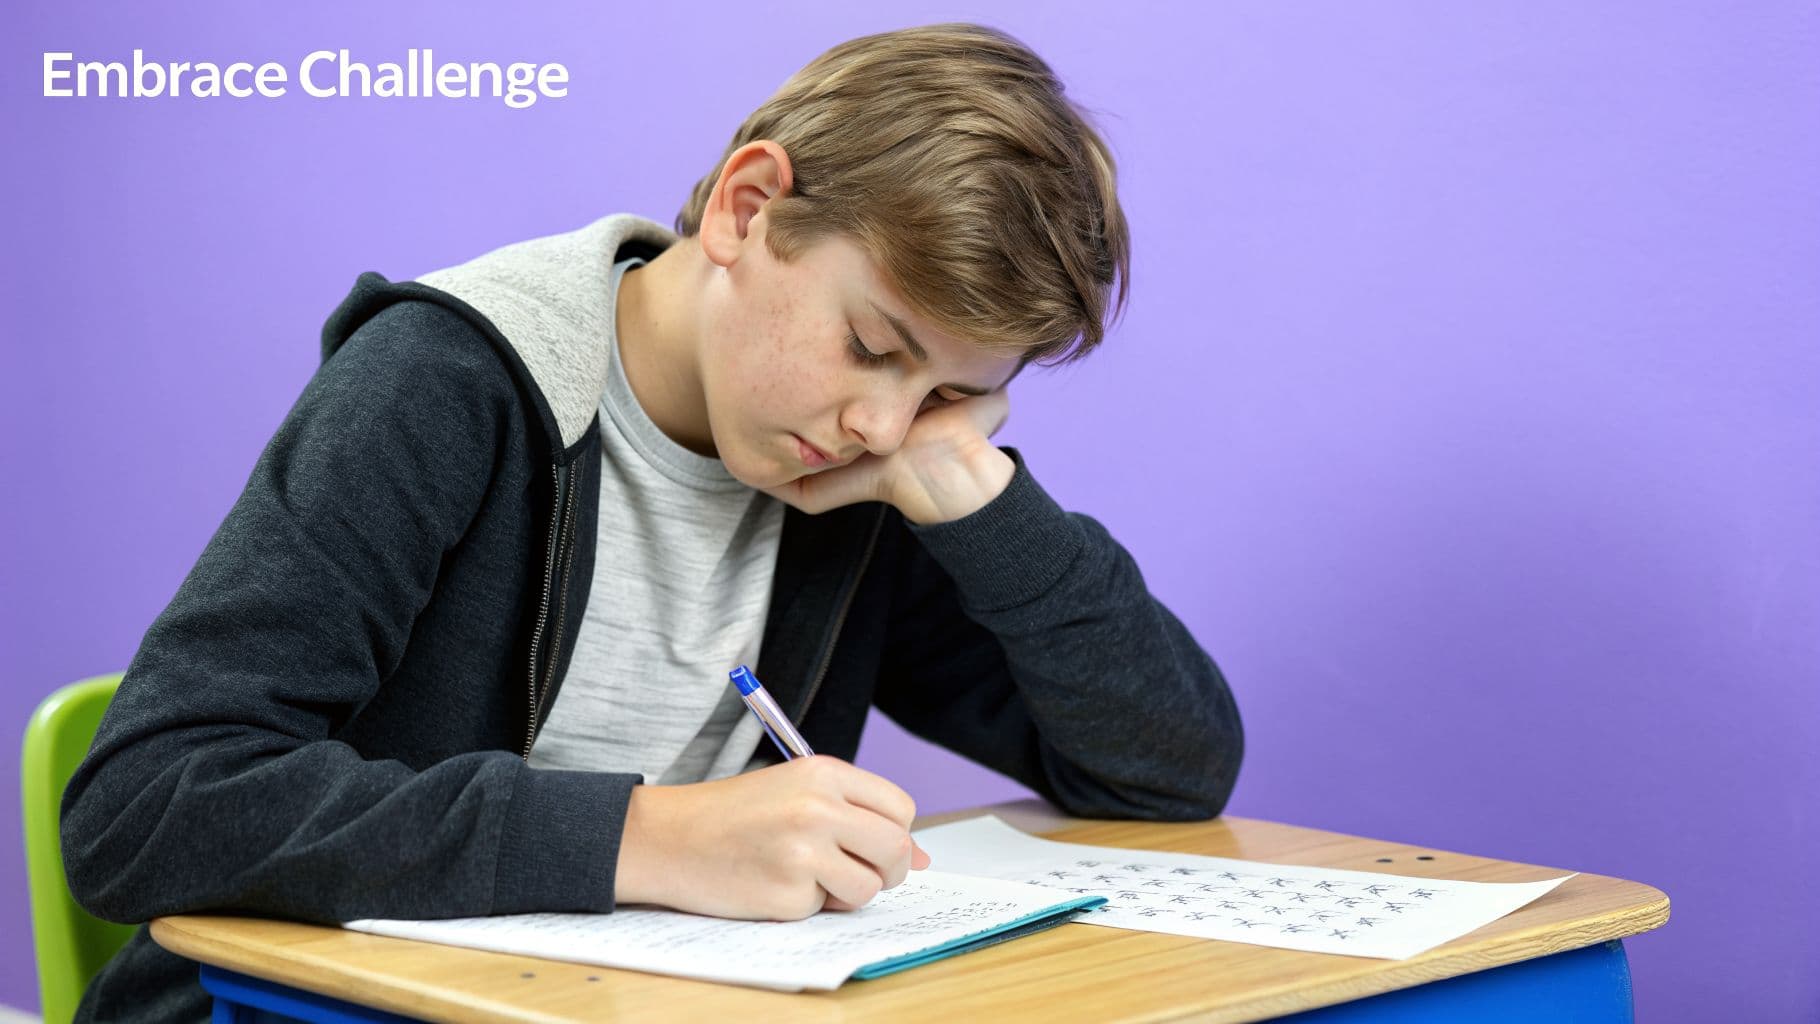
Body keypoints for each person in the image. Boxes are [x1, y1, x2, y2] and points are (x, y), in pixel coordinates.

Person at [60, 23, 1244, 1021]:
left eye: (944, 391)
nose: (883, 424)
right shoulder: (446, 383)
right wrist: (647, 838)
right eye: (872, 346)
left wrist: (983, 500)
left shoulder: (850, 470)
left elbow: (1164, 772)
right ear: (745, 208)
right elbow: (147, 804)